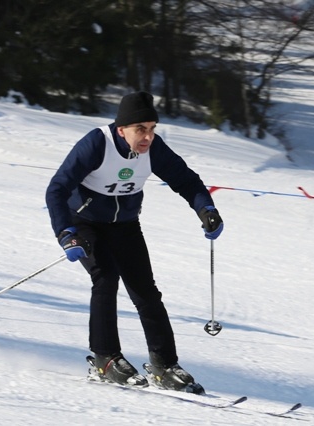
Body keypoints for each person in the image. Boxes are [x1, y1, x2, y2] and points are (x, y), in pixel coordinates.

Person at [45, 91, 224, 392]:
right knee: (106, 278)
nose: (147, 137)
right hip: (84, 222)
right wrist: (65, 232)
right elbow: (57, 189)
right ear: (121, 129)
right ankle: (105, 358)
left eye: (152, 128)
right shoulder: (96, 143)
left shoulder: (153, 148)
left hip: (125, 224)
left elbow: (187, 181)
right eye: (140, 129)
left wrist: (206, 209)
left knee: (146, 291)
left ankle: (164, 364)